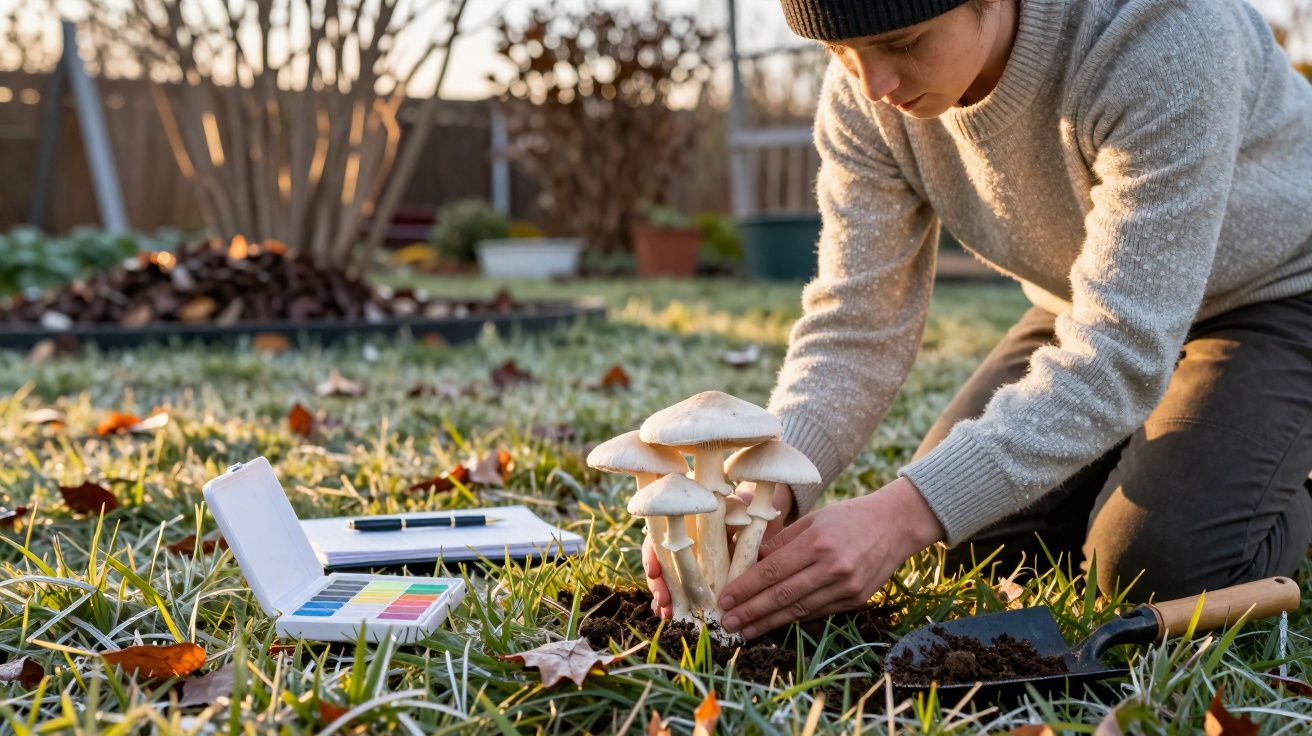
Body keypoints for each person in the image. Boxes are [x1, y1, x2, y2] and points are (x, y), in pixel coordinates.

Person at [644, 0, 1312, 640]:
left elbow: (1123, 350)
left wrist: (902, 516)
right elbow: (857, 322)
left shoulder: (1164, 36)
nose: (874, 83)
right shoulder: (863, 97)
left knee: (1158, 567)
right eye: (842, 50)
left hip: (1278, 293)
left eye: (904, 43)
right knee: (975, 544)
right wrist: (769, 490)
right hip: (1088, 306)